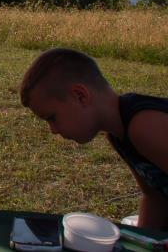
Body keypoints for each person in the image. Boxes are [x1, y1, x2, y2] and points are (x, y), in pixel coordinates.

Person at [20, 48, 168, 231]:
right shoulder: (117, 135)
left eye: (52, 117)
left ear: (80, 96)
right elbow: (155, 198)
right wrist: (143, 239)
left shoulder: (144, 126)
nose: (53, 130)